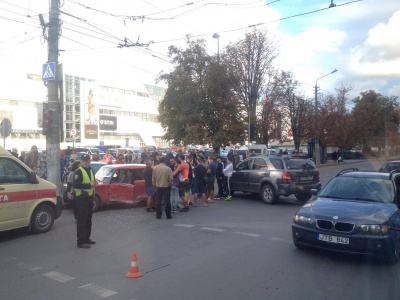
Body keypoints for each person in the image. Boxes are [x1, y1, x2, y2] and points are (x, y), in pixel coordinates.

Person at [73, 153, 98, 249]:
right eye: (83, 161)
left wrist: (95, 183)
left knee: (88, 220)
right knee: (82, 221)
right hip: (81, 199)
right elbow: (76, 185)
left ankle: (87, 238)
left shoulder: (90, 170)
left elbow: (92, 181)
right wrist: (90, 185)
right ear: (80, 161)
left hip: (89, 198)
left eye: (87, 160)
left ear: (89, 161)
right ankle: (81, 241)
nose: (85, 162)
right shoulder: (78, 171)